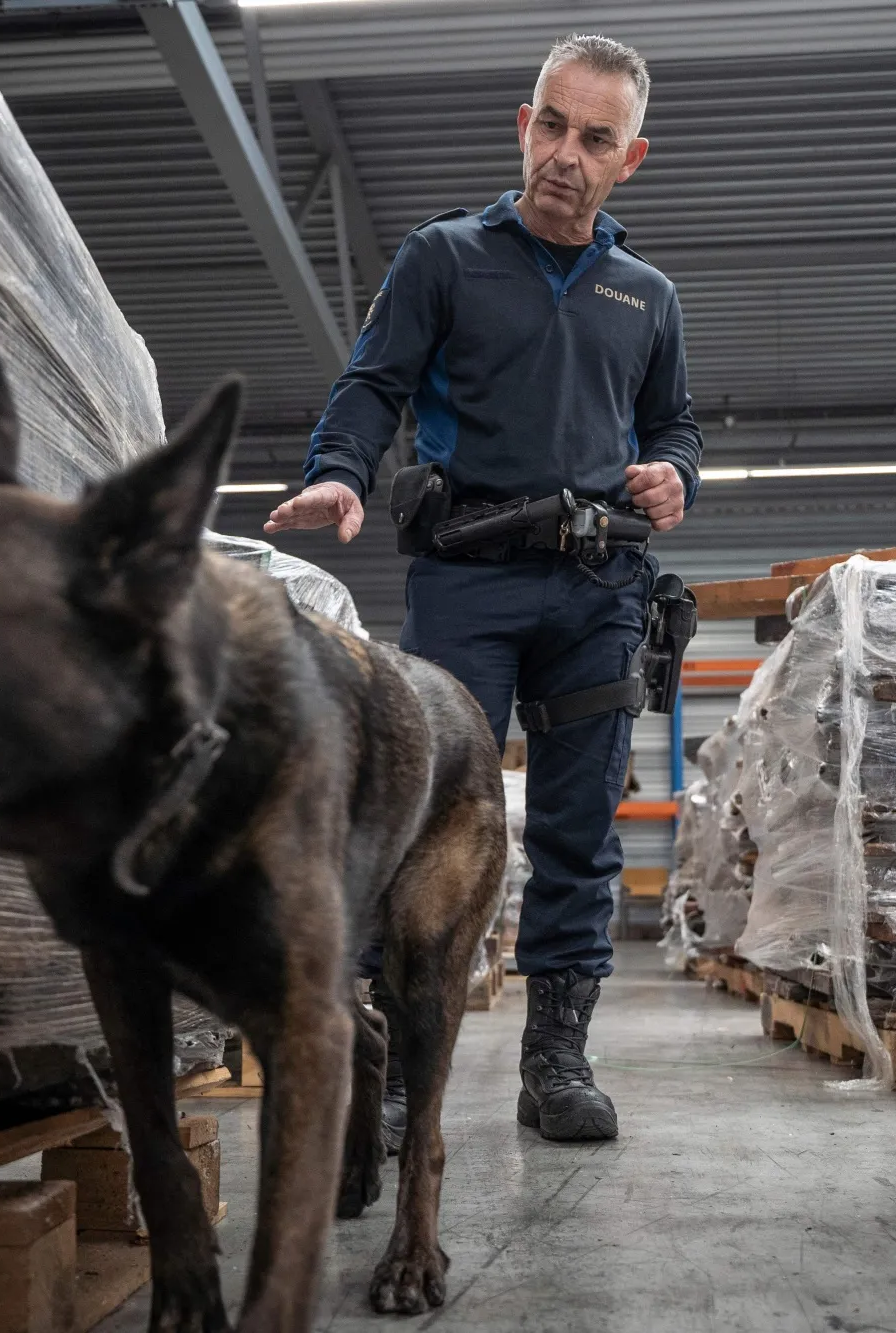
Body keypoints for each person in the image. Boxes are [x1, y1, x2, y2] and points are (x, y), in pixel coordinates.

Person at [266, 33, 701, 1143]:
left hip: (599, 592)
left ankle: (555, 1058)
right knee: (418, 820)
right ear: (523, 125)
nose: (565, 153)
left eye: (593, 138)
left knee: (576, 833)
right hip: (467, 582)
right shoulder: (444, 258)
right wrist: (336, 472)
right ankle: (397, 1066)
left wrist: (673, 474)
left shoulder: (645, 296)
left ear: (628, 157)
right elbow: (374, 383)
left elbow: (673, 425)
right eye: (549, 125)